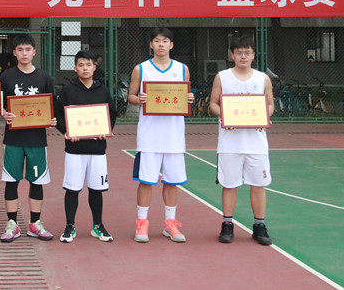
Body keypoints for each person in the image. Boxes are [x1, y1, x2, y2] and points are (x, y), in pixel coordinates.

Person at [127, 27, 194, 243]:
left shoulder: (182, 69)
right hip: (150, 135)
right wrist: (140, 99)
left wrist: (189, 98)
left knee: (171, 181)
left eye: (165, 41)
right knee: (146, 180)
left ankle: (170, 223)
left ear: (171, 45)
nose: (161, 44)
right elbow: (131, 96)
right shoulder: (141, 69)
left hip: (174, 135)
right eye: (157, 41)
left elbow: (185, 95)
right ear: (151, 44)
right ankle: (142, 223)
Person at [209, 35, 275, 246]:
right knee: (230, 185)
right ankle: (227, 224)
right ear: (232, 55)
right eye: (239, 53)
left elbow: (270, 105)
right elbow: (213, 104)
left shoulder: (262, 79)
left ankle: (259, 225)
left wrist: (264, 118)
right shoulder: (222, 77)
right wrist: (224, 116)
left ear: (253, 55)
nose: (243, 56)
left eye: (247, 53)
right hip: (230, 143)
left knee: (258, 185)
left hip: (256, 143)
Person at [0, 34, 56, 242]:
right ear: (15, 53)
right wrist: (3, 113)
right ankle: (12, 224)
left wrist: (51, 120)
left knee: (37, 181)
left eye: (28, 49)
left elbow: (50, 107)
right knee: (11, 181)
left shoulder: (44, 77)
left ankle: (35, 223)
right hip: (13, 139)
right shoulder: (6, 77)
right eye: (20, 50)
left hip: (36, 140)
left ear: (34, 52)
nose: (24, 53)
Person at [54, 51, 116, 243]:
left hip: (97, 149)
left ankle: (98, 225)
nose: (85, 68)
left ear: (94, 67)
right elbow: (58, 114)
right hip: (75, 149)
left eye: (88, 65)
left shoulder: (103, 90)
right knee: (72, 189)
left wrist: (106, 130)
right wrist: (66, 131)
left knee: (96, 189)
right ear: (75, 68)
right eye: (81, 65)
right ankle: (69, 226)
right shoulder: (68, 91)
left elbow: (112, 113)